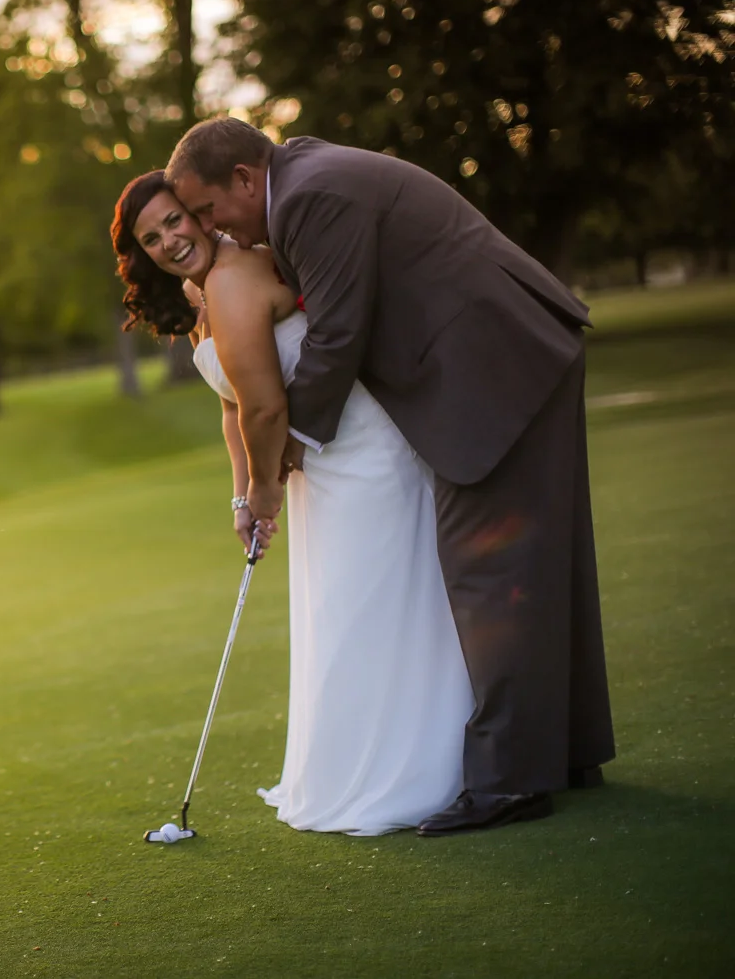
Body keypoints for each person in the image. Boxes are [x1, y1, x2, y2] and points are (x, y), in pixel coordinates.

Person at [163, 119, 614, 836]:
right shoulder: (303, 180)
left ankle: (509, 783)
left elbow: (340, 332)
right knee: (538, 562)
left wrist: (291, 448)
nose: (213, 227)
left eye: (211, 210)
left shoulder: (308, 197)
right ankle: (568, 752)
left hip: (489, 365)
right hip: (508, 349)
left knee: (487, 573)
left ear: (245, 180)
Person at [111, 170, 472, 835]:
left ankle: (429, 770)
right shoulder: (199, 292)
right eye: (150, 236)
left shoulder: (236, 275)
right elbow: (232, 410)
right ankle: (368, 764)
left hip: (358, 451)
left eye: (175, 221)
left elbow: (265, 404)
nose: (168, 239)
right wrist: (240, 499)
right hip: (314, 465)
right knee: (341, 610)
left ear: (199, 213)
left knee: (380, 605)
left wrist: (264, 492)